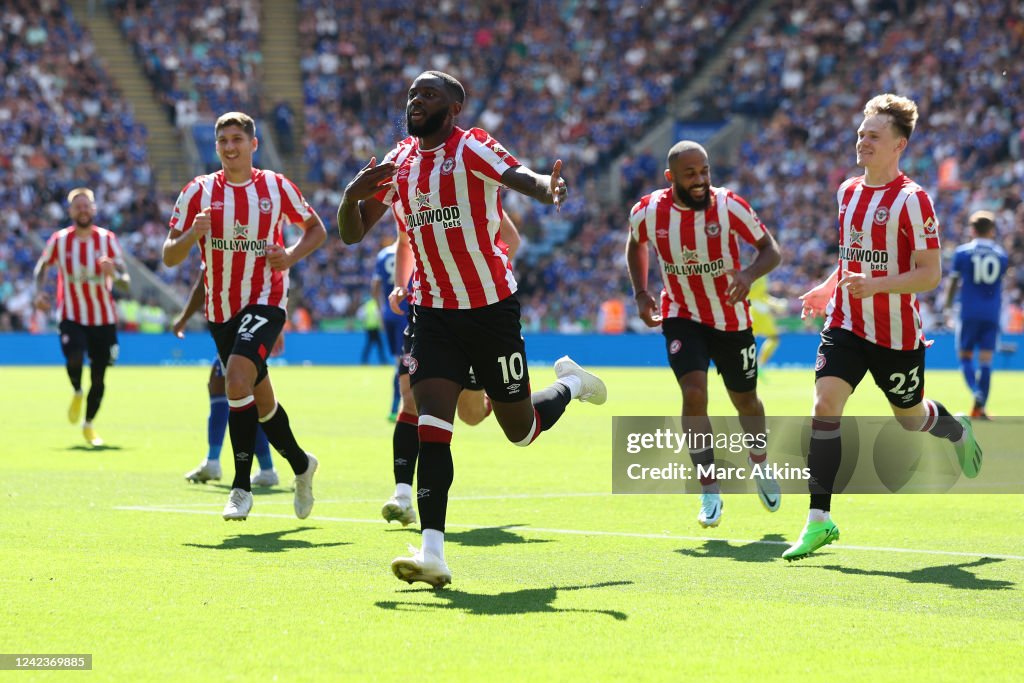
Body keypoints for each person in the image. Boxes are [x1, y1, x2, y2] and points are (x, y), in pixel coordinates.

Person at [338, 71, 606, 587]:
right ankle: (433, 553)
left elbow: (521, 177)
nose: (417, 101)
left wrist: (547, 187)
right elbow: (352, 234)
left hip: (491, 311)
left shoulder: (473, 148)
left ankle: (569, 383)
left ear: (454, 109)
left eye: (430, 95)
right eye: (413, 94)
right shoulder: (398, 165)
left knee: (520, 431)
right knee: (434, 430)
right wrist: (352, 196)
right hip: (433, 314)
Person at [787, 94, 982, 561]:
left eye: (873, 136)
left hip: (896, 336)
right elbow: (849, 259)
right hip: (846, 324)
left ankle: (956, 430)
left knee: (910, 418)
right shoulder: (848, 192)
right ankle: (819, 520)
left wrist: (873, 285)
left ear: (899, 145)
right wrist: (825, 287)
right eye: (860, 133)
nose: (862, 142)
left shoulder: (914, 201)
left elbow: (929, 274)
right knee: (825, 405)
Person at [162, 111, 327, 522]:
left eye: (237, 139)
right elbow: (169, 255)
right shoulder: (197, 192)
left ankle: (240, 486)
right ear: (216, 147)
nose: (230, 147)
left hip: (267, 298)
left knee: (235, 377)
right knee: (263, 403)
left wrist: (288, 255)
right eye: (223, 141)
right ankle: (301, 465)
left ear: (253, 144)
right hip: (221, 311)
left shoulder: (275, 186)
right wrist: (191, 235)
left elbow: (316, 229)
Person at [625, 141, 783, 528]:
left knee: (746, 401)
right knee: (694, 395)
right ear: (671, 177)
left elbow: (770, 250)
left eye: (705, 171)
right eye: (690, 174)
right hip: (681, 314)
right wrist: (642, 292)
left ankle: (759, 462)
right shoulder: (648, 211)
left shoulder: (729, 206)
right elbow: (636, 244)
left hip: (731, 318)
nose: (700, 181)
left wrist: (748, 274)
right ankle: (709, 489)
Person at [380, 211, 521, 527]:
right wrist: (402, 285)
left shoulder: (469, 181)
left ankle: (493, 395)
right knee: (411, 400)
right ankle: (402, 495)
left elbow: (510, 238)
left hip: (474, 312)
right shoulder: (406, 176)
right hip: (426, 313)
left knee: (470, 415)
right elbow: (404, 240)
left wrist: (485, 282)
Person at [33, 187, 130, 447]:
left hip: (103, 318)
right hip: (71, 314)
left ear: (94, 209)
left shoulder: (107, 240)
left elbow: (126, 282)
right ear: (70, 211)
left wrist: (115, 274)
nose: (83, 210)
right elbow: (42, 266)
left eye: (86, 205)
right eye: (77, 206)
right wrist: (39, 292)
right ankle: (76, 390)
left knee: (99, 377)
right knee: (74, 356)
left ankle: (88, 424)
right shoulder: (60, 240)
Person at [172, 270, 280, 486]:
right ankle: (264, 466)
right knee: (222, 385)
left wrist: (184, 317)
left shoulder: (224, 243)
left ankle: (265, 467)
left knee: (239, 393)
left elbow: (204, 281)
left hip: (238, 326)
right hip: (246, 323)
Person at [942, 211, 1008, 419]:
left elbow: (953, 282)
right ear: (992, 231)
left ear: (972, 230)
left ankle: (977, 393)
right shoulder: (1001, 255)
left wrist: (947, 307)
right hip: (992, 313)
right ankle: (980, 409)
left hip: (969, 312)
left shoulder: (962, 253)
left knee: (965, 357)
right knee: (986, 360)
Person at [748, 274, 787, 368]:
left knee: (748, 340)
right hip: (759, 311)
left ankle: (745, 365)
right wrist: (776, 303)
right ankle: (759, 365)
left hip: (751, 309)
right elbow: (760, 295)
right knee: (774, 338)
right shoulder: (759, 276)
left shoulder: (752, 273)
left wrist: (775, 302)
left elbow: (760, 295)